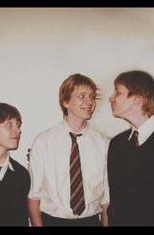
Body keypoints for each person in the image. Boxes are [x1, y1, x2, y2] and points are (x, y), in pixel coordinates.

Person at [27, 73, 110, 226]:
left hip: (90, 222)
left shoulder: (104, 143)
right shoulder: (43, 142)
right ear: (65, 101)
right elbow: (34, 196)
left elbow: (107, 200)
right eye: (82, 96)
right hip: (53, 222)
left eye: (91, 96)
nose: (89, 102)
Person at [108, 70, 154, 226]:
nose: (111, 98)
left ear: (137, 99)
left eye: (118, 92)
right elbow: (116, 204)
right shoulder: (117, 144)